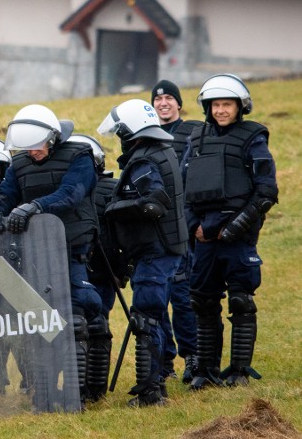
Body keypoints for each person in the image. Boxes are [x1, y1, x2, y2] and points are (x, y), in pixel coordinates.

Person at [0, 104, 103, 405]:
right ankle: (44, 392)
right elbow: (6, 194)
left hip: (73, 249)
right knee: (38, 322)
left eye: (38, 147)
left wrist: (35, 206)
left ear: (52, 138)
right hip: (33, 251)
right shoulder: (20, 162)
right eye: (28, 148)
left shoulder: (79, 156)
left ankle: (77, 393)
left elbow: (71, 194)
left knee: (75, 319)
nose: (33, 152)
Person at [180, 74, 278, 389]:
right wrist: (193, 226)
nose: (221, 110)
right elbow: (184, 189)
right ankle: (205, 371)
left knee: (241, 301)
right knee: (202, 302)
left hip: (238, 235)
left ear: (240, 106)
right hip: (204, 235)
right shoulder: (196, 138)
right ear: (208, 108)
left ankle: (238, 371)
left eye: (227, 104)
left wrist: (236, 226)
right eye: (216, 105)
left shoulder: (254, 138)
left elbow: (266, 191)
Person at [97, 100, 188, 407]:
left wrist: (114, 209)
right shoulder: (158, 151)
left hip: (154, 251)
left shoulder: (144, 161)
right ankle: (160, 378)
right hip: (162, 249)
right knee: (156, 315)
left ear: (130, 131)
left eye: (120, 132)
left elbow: (154, 202)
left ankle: (150, 394)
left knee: (145, 319)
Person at [151, 80, 201, 383]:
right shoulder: (145, 136)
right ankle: (164, 359)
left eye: (169, 97)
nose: (163, 103)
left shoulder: (192, 131)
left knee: (183, 296)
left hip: (182, 228)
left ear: (178, 103)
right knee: (158, 295)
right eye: (158, 99)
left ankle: (192, 357)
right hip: (154, 228)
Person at [69, 133, 118, 403]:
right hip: (72, 265)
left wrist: (121, 269)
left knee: (98, 324)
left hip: (102, 269)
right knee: (76, 326)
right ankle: (76, 389)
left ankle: (95, 391)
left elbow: (119, 234)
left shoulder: (110, 189)